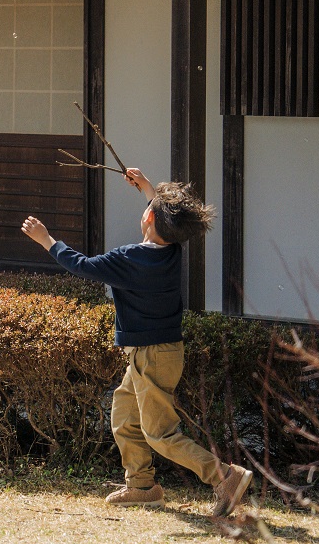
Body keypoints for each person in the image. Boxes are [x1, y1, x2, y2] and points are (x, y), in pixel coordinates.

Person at [19, 169, 253, 517]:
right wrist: (146, 187)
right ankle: (142, 487)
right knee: (124, 415)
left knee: (160, 434)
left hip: (152, 354)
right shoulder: (171, 250)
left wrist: (47, 240)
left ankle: (225, 477)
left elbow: (82, 265)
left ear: (149, 217)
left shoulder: (130, 259)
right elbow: (162, 217)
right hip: (158, 352)